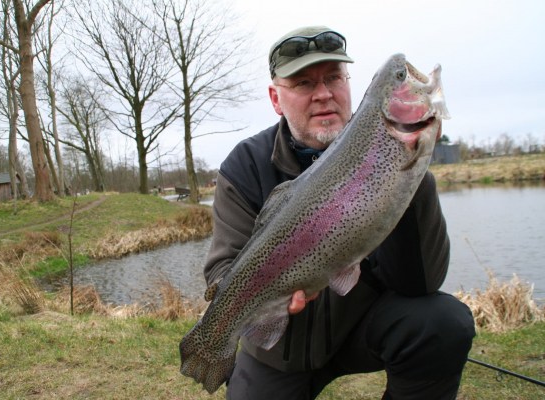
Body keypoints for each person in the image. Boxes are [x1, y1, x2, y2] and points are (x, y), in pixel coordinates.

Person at [204, 25, 475, 400]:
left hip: (361, 329)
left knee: (442, 322)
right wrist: (258, 302)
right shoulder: (244, 165)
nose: (324, 94)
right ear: (275, 98)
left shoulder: (388, 149)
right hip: (277, 351)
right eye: (303, 83)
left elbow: (422, 284)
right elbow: (221, 270)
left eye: (333, 77)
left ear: (349, 83)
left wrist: (413, 175)